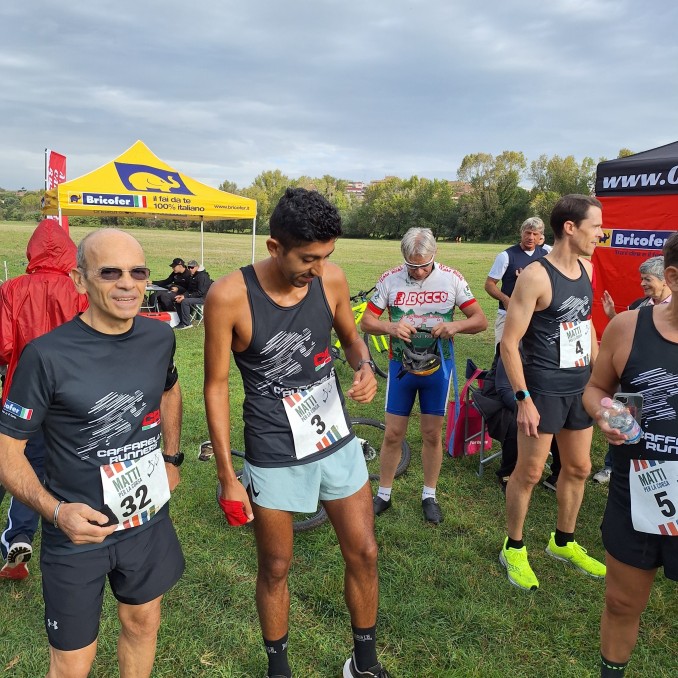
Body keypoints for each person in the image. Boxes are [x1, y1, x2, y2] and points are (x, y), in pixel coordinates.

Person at [204, 187, 389, 678]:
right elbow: (216, 386)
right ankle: (279, 669)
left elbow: (352, 341)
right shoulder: (229, 296)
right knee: (277, 566)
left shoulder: (331, 280)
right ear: (274, 247)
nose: (319, 268)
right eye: (308, 258)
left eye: (327, 256)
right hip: (272, 447)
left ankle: (364, 663)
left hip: (333, 436)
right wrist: (226, 475)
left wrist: (364, 366)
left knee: (365, 551)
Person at [0, 229, 185, 678]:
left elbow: (170, 389)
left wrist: (171, 458)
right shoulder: (45, 355)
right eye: (110, 272)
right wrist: (55, 511)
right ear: (79, 280)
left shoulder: (159, 337)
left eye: (137, 272)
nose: (127, 284)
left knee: (143, 623)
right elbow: (7, 452)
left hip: (145, 520)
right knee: (72, 662)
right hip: (76, 534)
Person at [498, 194, 606, 591]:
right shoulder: (536, 276)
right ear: (570, 228)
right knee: (528, 473)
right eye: (596, 226)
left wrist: (600, 378)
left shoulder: (588, 269)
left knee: (578, 468)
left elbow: (586, 324)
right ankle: (513, 547)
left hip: (580, 387)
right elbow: (509, 343)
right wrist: (523, 398)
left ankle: (563, 541)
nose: (601, 234)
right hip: (542, 390)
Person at [583, 233, 678, 677]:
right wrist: (604, 413)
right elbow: (596, 388)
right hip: (637, 488)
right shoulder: (627, 326)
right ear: (673, 276)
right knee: (622, 602)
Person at [360, 228, 487, 524]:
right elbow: (366, 321)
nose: (417, 272)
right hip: (401, 367)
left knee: (432, 434)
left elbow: (480, 320)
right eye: (411, 265)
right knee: (393, 434)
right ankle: (384, 494)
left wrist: (455, 326)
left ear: (435, 254)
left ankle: (429, 495)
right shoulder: (390, 279)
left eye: (424, 265)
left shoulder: (452, 279)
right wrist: (390, 327)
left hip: (437, 368)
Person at [0, 219, 89, 580]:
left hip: (23, 392)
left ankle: (19, 536)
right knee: (57, 464)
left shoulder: (11, 288)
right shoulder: (78, 289)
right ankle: (35, 533)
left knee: (18, 460)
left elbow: (4, 346)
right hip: (71, 393)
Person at [594, 256, 673, 485]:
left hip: (664, 383)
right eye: (641, 279)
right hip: (634, 383)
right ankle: (612, 466)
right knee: (623, 423)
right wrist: (612, 316)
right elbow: (628, 335)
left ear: (665, 280)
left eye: (647, 279)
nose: (642, 284)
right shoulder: (639, 305)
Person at [485, 217, 549, 349]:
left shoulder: (546, 254)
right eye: (527, 233)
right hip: (508, 315)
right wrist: (505, 299)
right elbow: (489, 284)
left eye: (535, 234)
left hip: (536, 317)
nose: (530, 237)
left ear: (540, 236)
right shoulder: (506, 256)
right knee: (504, 354)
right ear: (521, 233)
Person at [174, 259, 213, 330]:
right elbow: (189, 290)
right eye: (188, 267)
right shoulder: (193, 276)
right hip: (197, 296)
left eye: (192, 267)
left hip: (204, 298)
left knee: (185, 301)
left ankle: (186, 324)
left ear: (197, 267)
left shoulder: (202, 276)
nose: (190, 269)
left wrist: (187, 297)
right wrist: (183, 296)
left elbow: (201, 292)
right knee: (177, 301)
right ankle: (182, 322)